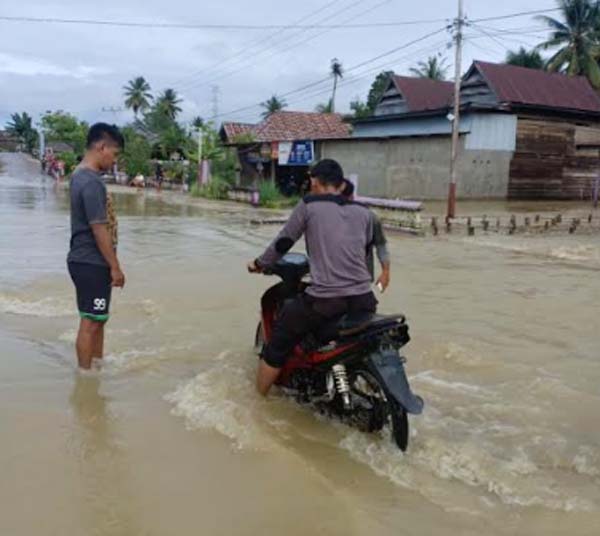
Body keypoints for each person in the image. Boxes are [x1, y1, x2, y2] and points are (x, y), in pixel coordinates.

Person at [248, 159, 378, 396]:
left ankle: (258, 401)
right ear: (340, 183)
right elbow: (367, 259)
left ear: (315, 182)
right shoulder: (365, 213)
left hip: (326, 301)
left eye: (310, 182)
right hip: (364, 299)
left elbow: (284, 241)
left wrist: (259, 263)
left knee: (279, 341)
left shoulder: (309, 205)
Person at [67, 123, 126, 370]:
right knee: (91, 321)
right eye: (114, 154)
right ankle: (85, 378)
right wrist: (115, 267)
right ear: (102, 147)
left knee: (98, 318)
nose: (114, 161)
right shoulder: (91, 182)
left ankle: (96, 367)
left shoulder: (78, 175)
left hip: (85, 260)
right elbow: (99, 228)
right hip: (92, 262)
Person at [340, 179, 390, 292]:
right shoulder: (324, 217)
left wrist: (385, 272)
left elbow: (381, 244)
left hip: (360, 280)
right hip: (333, 280)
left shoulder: (369, 217)